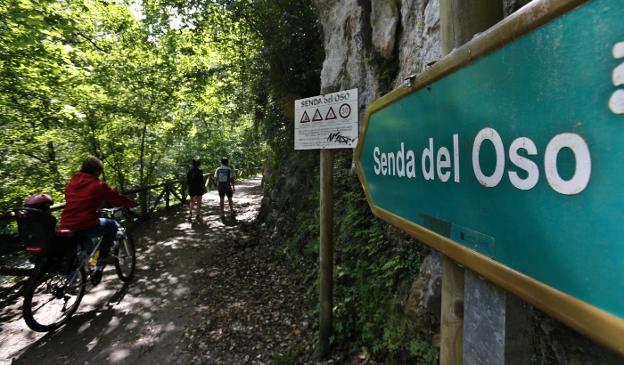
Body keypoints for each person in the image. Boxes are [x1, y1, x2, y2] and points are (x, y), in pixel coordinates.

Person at [59, 156, 137, 266]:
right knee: (111, 225)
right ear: (96, 170)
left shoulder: (71, 183)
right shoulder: (98, 185)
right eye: (100, 171)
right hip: (85, 224)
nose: (100, 174)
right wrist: (132, 203)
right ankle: (103, 256)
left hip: (66, 224)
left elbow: (78, 201)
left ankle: (92, 265)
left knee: (87, 248)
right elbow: (115, 198)